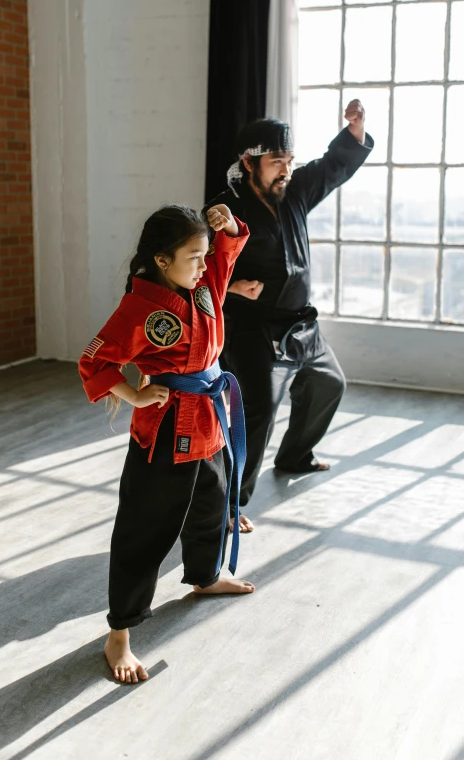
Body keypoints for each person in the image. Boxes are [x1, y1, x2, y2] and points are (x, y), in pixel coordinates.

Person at [79, 203, 254, 685]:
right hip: (164, 433)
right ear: (162, 259)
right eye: (194, 256)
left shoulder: (201, 289)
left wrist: (230, 227)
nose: (204, 265)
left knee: (211, 507)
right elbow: (94, 360)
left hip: (209, 421)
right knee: (145, 532)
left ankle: (204, 575)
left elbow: (227, 255)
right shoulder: (142, 308)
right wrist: (134, 392)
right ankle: (120, 632)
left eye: (204, 256)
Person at [206, 100, 373, 533]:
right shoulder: (224, 210)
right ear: (249, 161)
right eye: (277, 160)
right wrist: (232, 287)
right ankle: (229, 502)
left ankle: (295, 455)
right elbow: (193, 270)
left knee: (329, 383)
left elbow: (334, 165)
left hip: (301, 323)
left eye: (289, 159)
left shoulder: (294, 190)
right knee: (258, 409)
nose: (285, 168)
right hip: (253, 328)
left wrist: (355, 129)